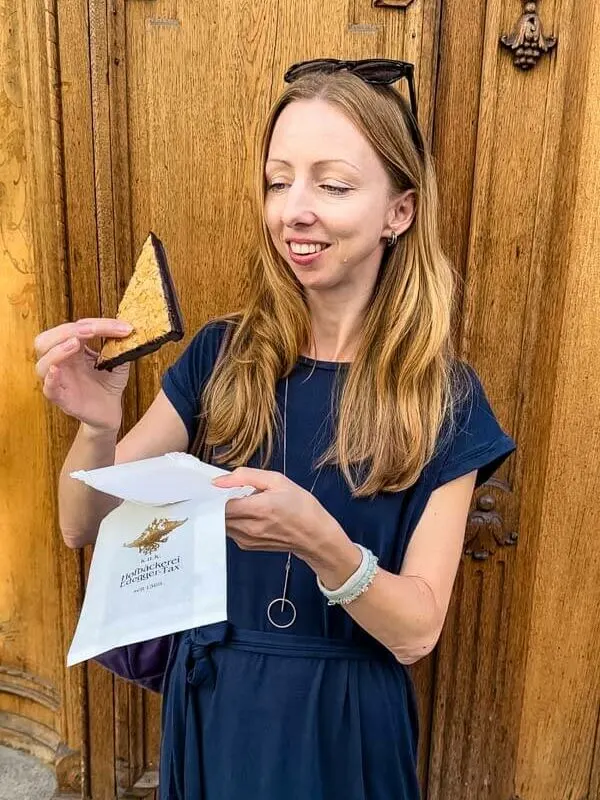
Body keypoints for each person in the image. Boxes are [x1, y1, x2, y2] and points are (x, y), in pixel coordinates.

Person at [34, 59, 516, 800]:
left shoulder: (442, 398)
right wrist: (99, 427)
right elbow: (80, 523)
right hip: (215, 707)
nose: (295, 209)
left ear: (401, 210)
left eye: (334, 184)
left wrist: (320, 542)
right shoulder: (222, 357)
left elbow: (417, 631)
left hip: (346, 724)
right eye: (278, 180)